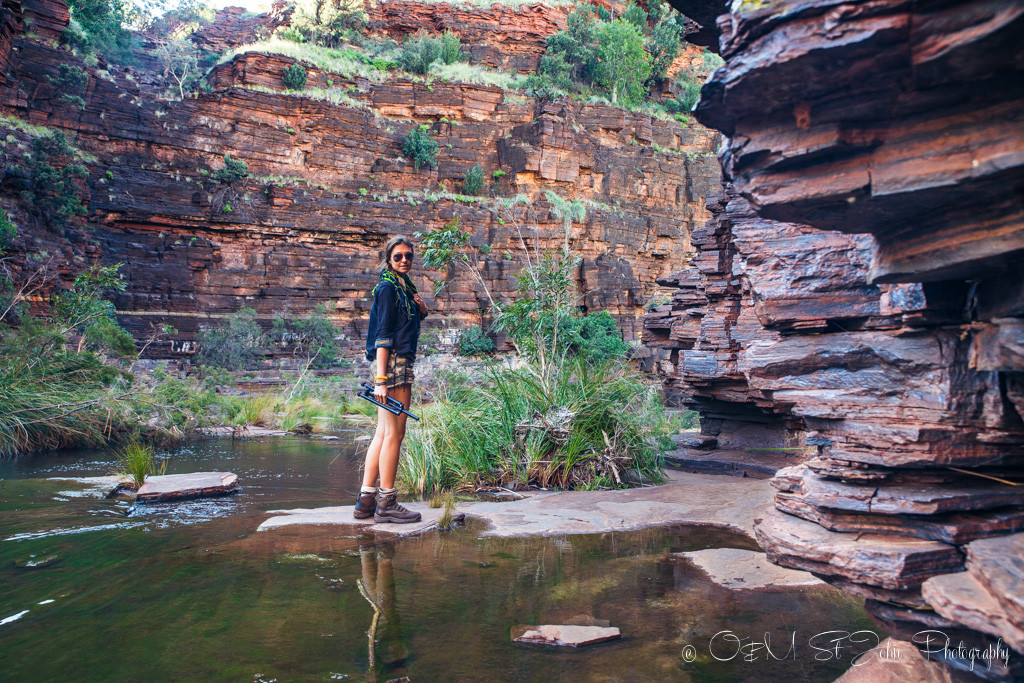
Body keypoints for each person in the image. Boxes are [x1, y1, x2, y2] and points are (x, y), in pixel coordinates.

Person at [355, 235, 428, 523]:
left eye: (408, 256)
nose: (404, 260)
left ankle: (365, 501)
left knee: (383, 434)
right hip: (394, 366)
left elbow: (401, 325)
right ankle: (387, 502)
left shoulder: (404, 288)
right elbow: (383, 337)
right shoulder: (387, 288)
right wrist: (381, 380)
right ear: (389, 259)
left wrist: (422, 310)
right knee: (395, 434)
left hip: (395, 364)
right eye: (398, 256)